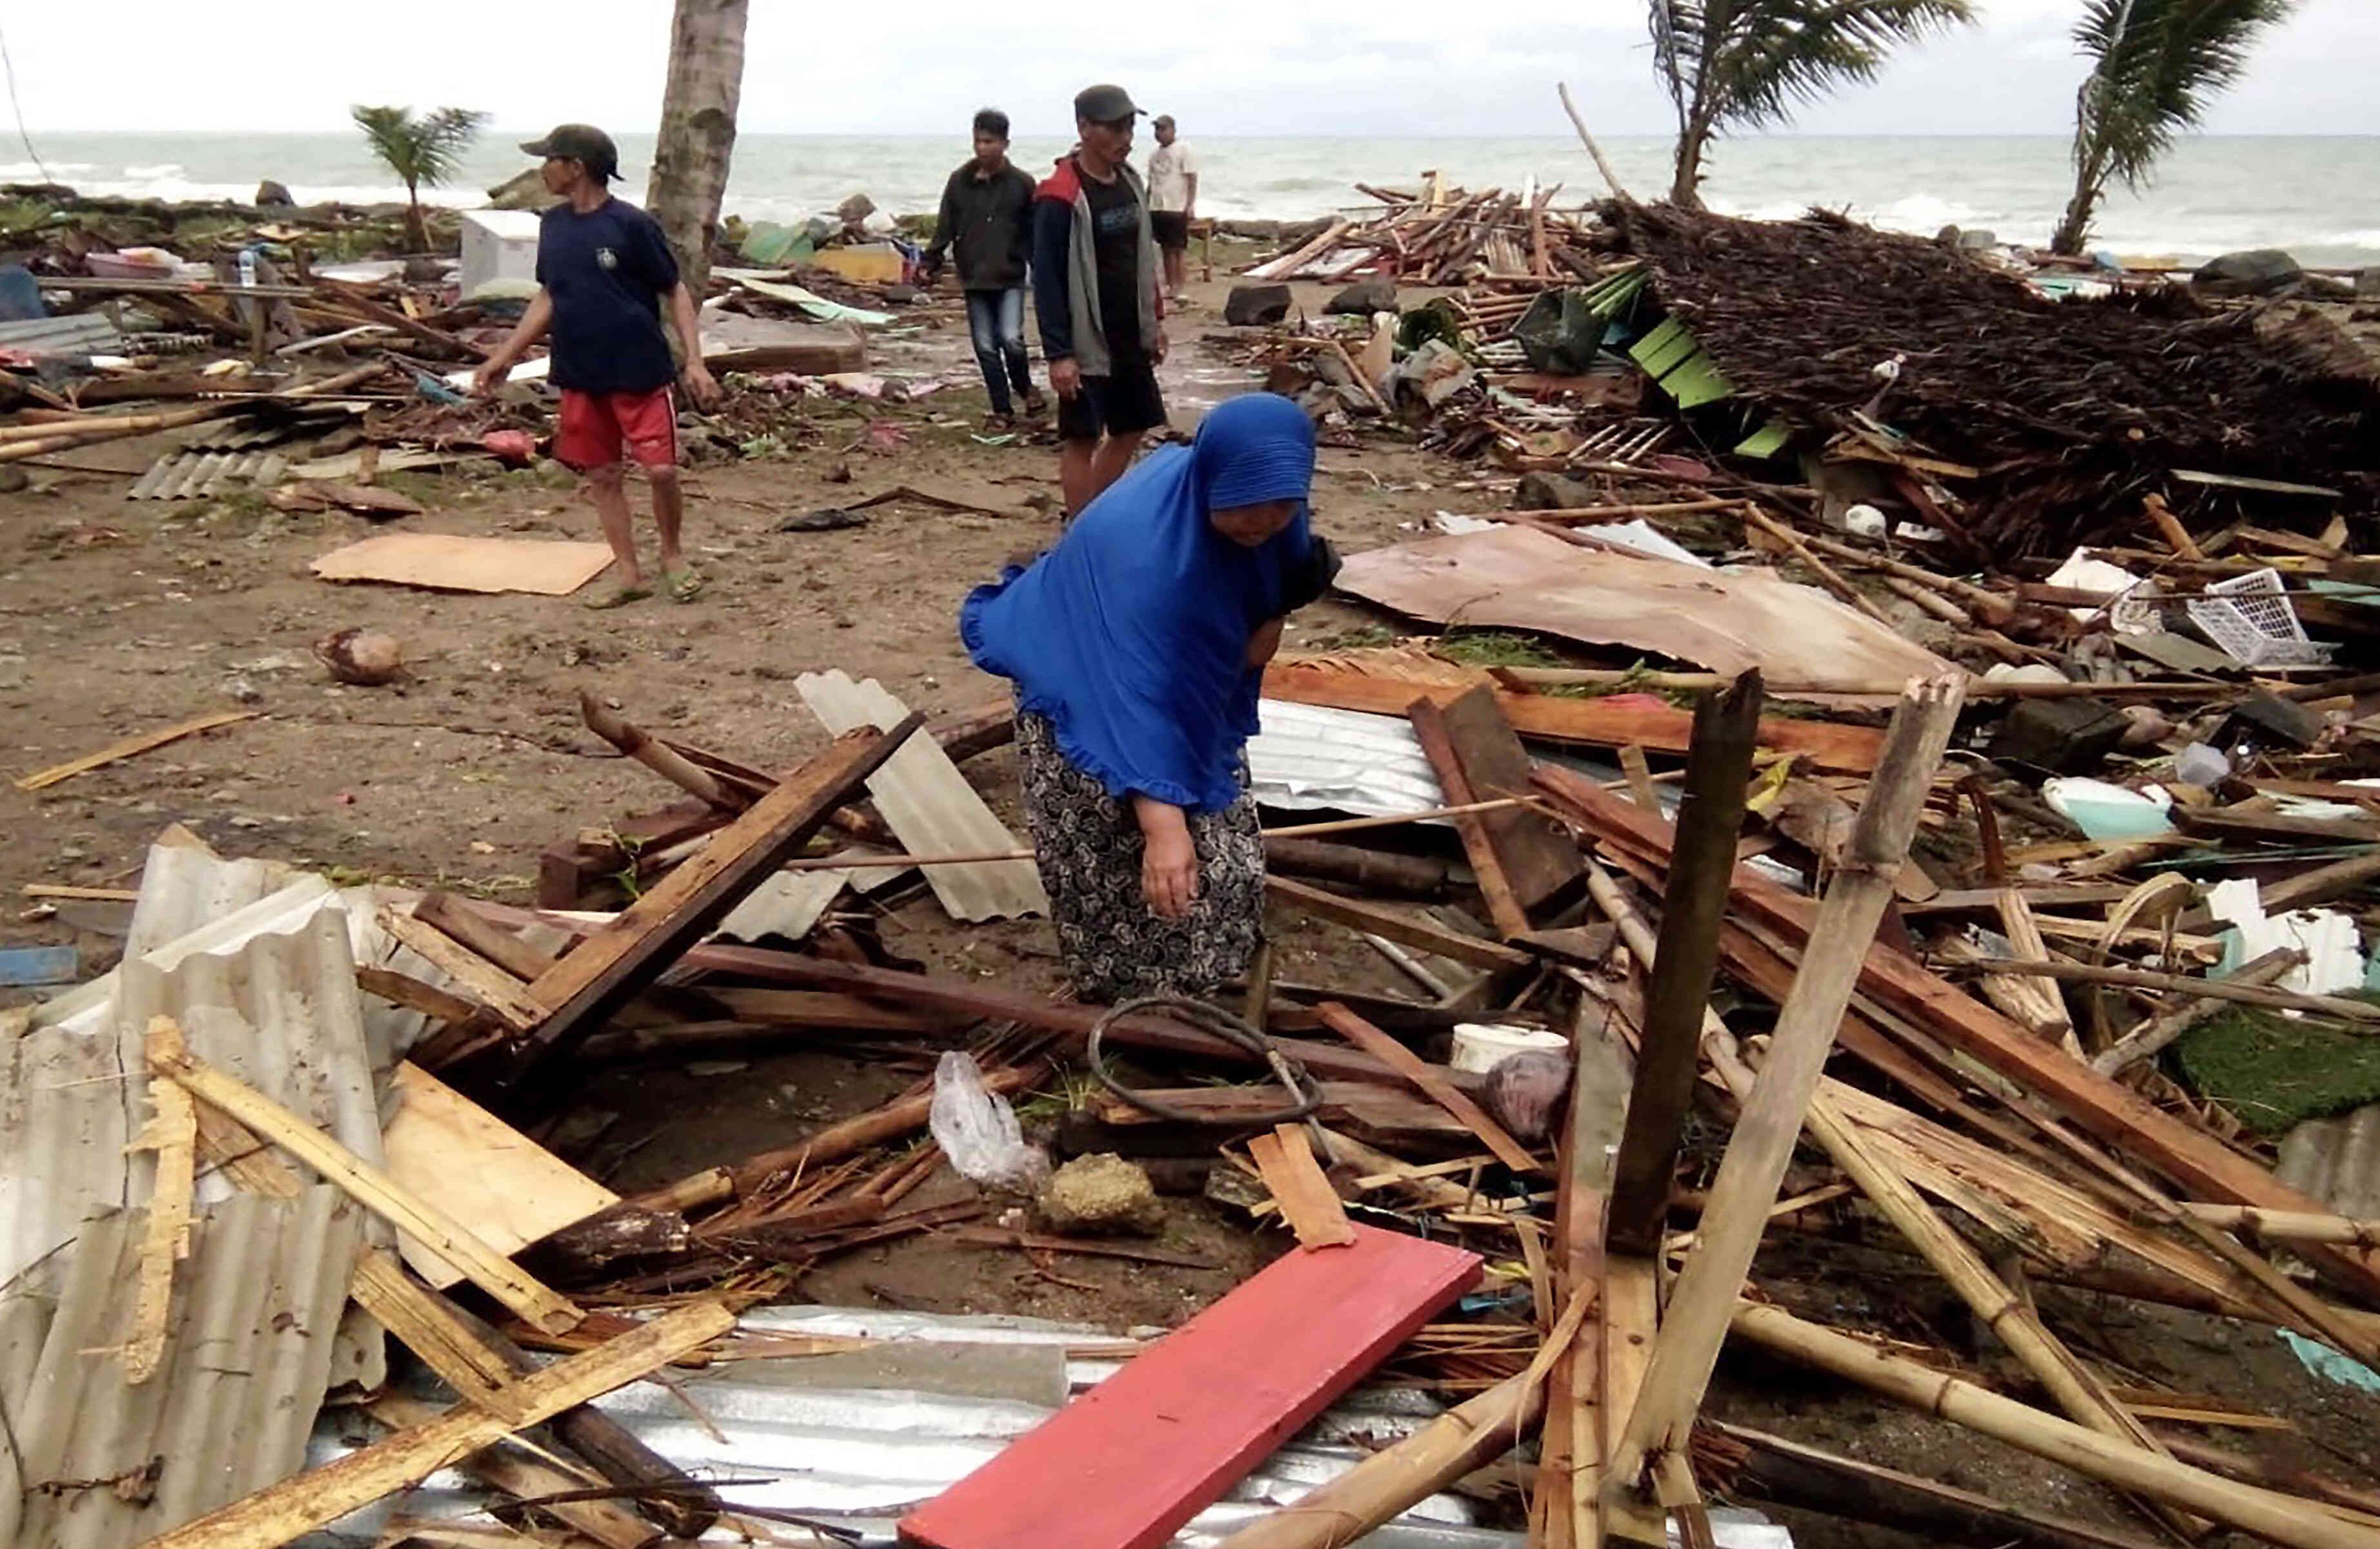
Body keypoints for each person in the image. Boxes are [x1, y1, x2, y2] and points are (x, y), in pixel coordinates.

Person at [960, 393, 1340, 1002]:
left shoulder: (1269, 514)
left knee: (1215, 837)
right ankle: (1129, 998)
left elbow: (1273, 597)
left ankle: (1209, 976)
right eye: (1246, 507)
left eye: (1280, 507)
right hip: (1084, 677)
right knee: (1120, 850)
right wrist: (1163, 828)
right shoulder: (1140, 558)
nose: (1262, 523)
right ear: (1213, 480)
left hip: (1184, 675)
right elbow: (1134, 702)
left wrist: (1270, 617)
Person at [473, 123, 719, 608]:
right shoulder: (554, 225)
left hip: (640, 369)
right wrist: (503, 357)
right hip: (580, 371)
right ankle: (628, 573)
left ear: (576, 167)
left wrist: (696, 361)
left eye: (549, 160)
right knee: (603, 476)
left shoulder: (631, 225)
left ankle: (671, 556)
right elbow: (549, 295)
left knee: (662, 471)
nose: (542, 169)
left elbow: (674, 289)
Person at [1033, 83, 1168, 518]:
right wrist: (1059, 353)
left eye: (1129, 126)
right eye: (1114, 127)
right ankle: (1079, 531)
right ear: (1084, 128)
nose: (1125, 137)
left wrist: (1155, 321)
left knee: (1132, 426)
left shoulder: (1129, 182)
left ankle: (1093, 515)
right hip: (1085, 338)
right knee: (1082, 437)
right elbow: (1048, 280)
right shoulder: (1060, 195)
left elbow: (1143, 259)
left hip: (1129, 330)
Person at [923, 108, 1045, 431]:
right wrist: (930, 261)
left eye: (989, 141)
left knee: (1011, 339)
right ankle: (1002, 409)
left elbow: (1033, 233)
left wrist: (1043, 270)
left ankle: (1025, 388)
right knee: (986, 346)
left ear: (1005, 143)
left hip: (1010, 275)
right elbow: (945, 226)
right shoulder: (960, 182)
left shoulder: (1022, 184)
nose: (982, 148)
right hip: (974, 275)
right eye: (978, 141)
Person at [1146, 115, 1200, 304]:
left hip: (1176, 206)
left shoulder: (1183, 149)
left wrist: (1190, 204)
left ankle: (1180, 286)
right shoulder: (1154, 155)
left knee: (1177, 249)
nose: (1159, 133)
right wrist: (1146, 204)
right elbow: (1151, 182)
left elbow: (1192, 178)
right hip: (1157, 206)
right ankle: (1170, 285)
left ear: (1172, 130)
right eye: (1157, 130)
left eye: (1163, 129)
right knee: (1165, 249)